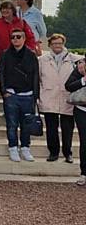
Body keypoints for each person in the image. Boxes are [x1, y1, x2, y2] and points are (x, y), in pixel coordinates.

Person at [0, 28, 40, 162]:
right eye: (13, 37)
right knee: (11, 124)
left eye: (18, 37)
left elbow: (35, 75)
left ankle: (25, 147)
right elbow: (1, 74)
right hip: (11, 95)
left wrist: (35, 95)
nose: (15, 39)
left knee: (26, 124)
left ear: (24, 38)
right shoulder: (5, 54)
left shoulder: (31, 55)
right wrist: (4, 91)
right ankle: (13, 147)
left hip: (28, 95)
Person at [38, 33, 80, 163]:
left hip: (66, 98)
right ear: (50, 45)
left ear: (63, 44)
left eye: (60, 43)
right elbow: (38, 78)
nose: (57, 46)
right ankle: (53, 152)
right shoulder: (42, 60)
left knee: (67, 129)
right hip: (49, 96)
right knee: (51, 128)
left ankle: (68, 153)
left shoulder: (74, 59)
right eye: (55, 43)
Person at [65, 57, 86, 186]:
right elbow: (69, 86)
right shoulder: (80, 66)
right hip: (82, 109)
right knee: (85, 142)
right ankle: (84, 173)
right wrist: (83, 80)